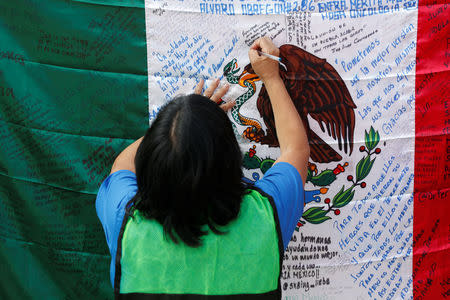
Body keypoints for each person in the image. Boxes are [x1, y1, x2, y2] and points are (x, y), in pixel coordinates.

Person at [96, 37, 310, 299]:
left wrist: (179, 127)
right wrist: (272, 78)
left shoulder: (125, 221)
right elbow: (295, 150)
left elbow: (122, 166)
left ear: (151, 163)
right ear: (231, 160)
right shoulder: (265, 214)